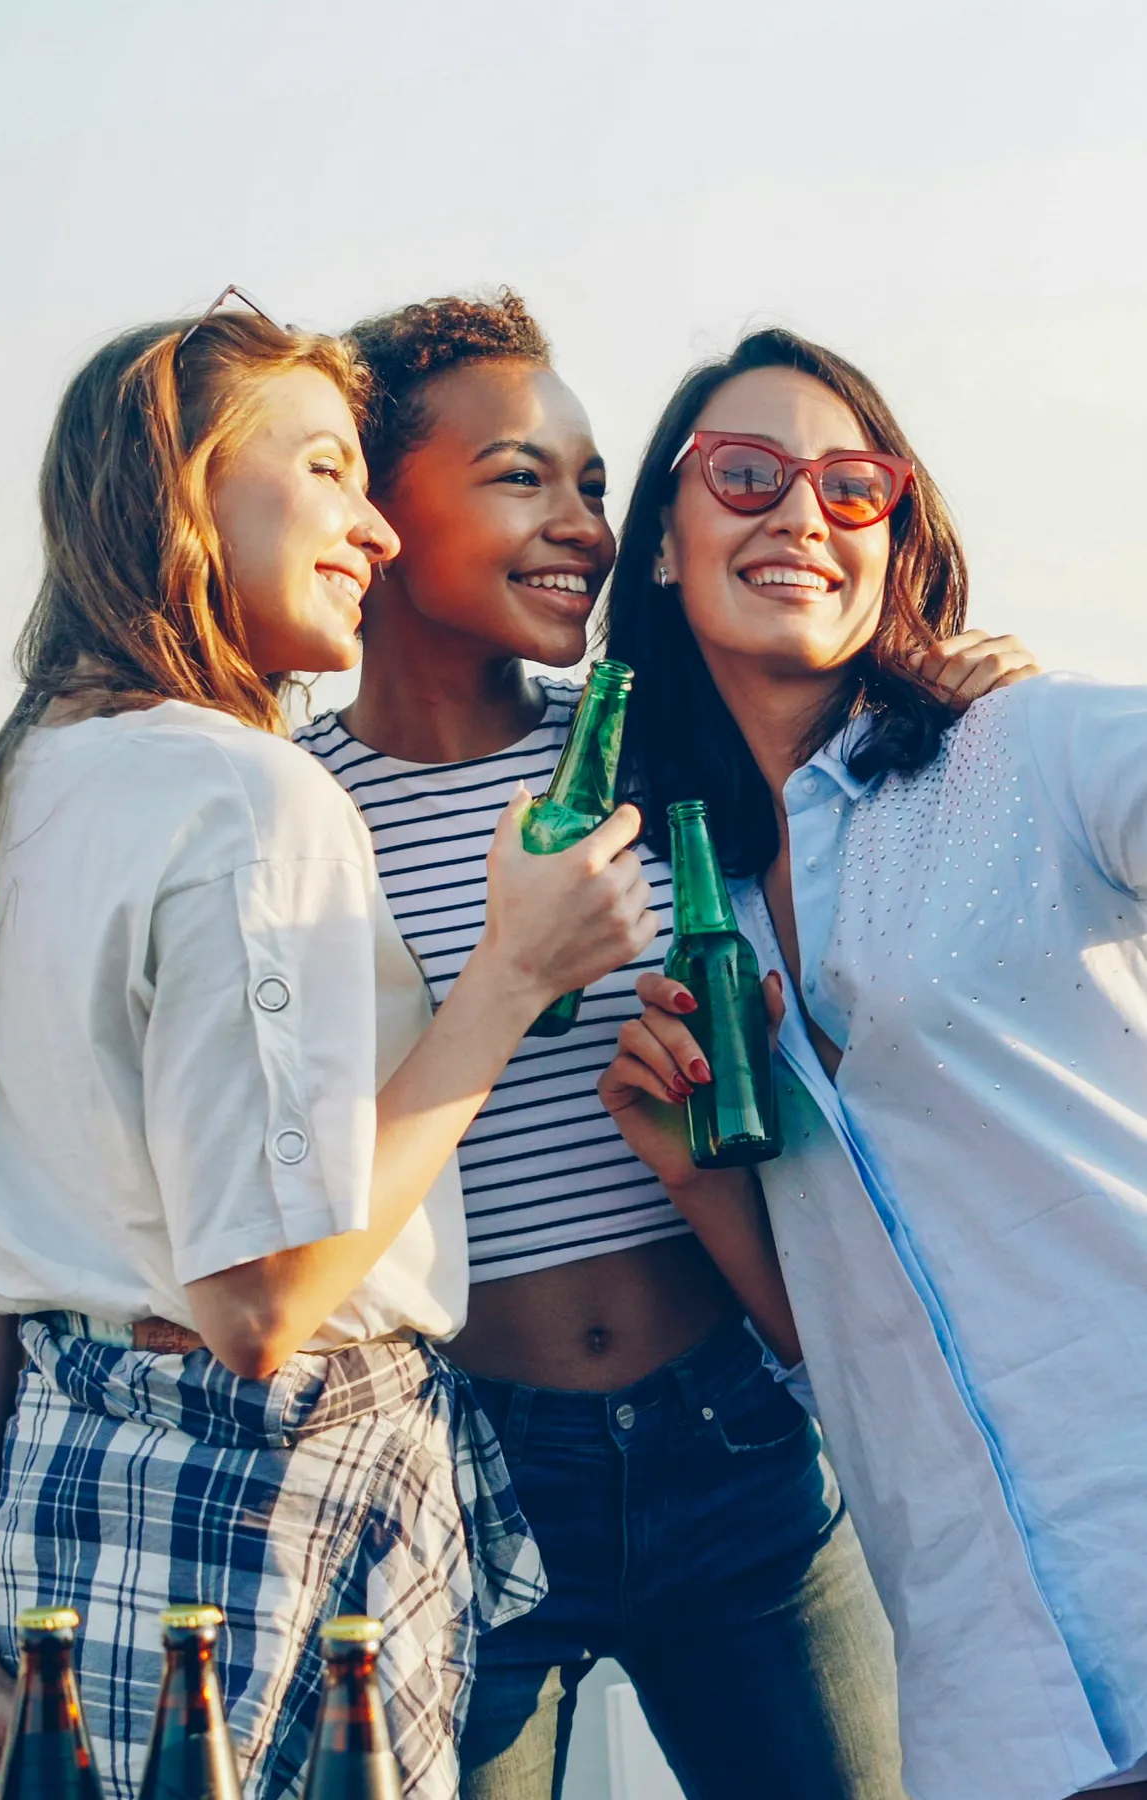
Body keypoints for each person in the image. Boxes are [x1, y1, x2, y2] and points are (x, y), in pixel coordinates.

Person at [0, 298, 660, 1800]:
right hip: (270, 1524)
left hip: (54, 1515)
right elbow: (261, 1305)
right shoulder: (253, 804)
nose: (377, 532)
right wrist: (513, 975)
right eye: (329, 471)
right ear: (187, 490)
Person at [291, 291, 1036, 1800]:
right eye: (520, 476)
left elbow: (867, 795)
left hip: (741, 1452)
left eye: (591, 483)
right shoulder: (287, 813)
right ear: (373, 509)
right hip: (456, 1480)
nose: (581, 522)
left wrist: (975, 708)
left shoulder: (662, 760)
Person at [597, 325, 1147, 1800]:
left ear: (897, 540)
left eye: (853, 486)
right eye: (747, 473)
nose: (799, 515)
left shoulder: (1023, 751)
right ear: (662, 538)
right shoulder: (666, 894)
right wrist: (692, 1169)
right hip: (994, 1703)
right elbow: (836, 1354)